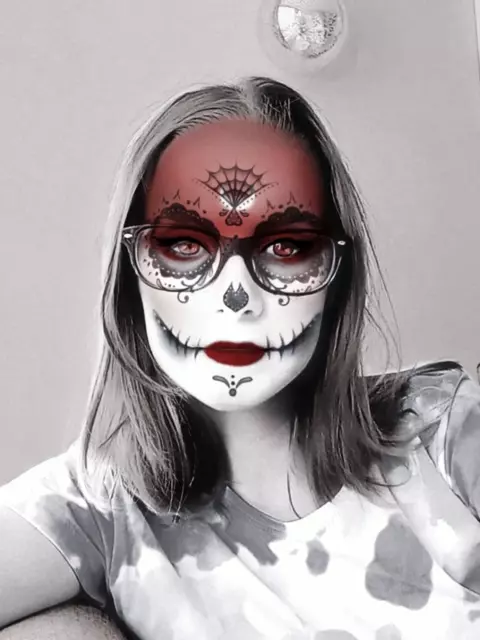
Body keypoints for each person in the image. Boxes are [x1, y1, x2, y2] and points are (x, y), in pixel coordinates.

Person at [0, 76, 479, 640]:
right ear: (129, 278)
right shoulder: (99, 506)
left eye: (285, 246)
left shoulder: (440, 427)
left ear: (337, 277)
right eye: (184, 245)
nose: (236, 298)